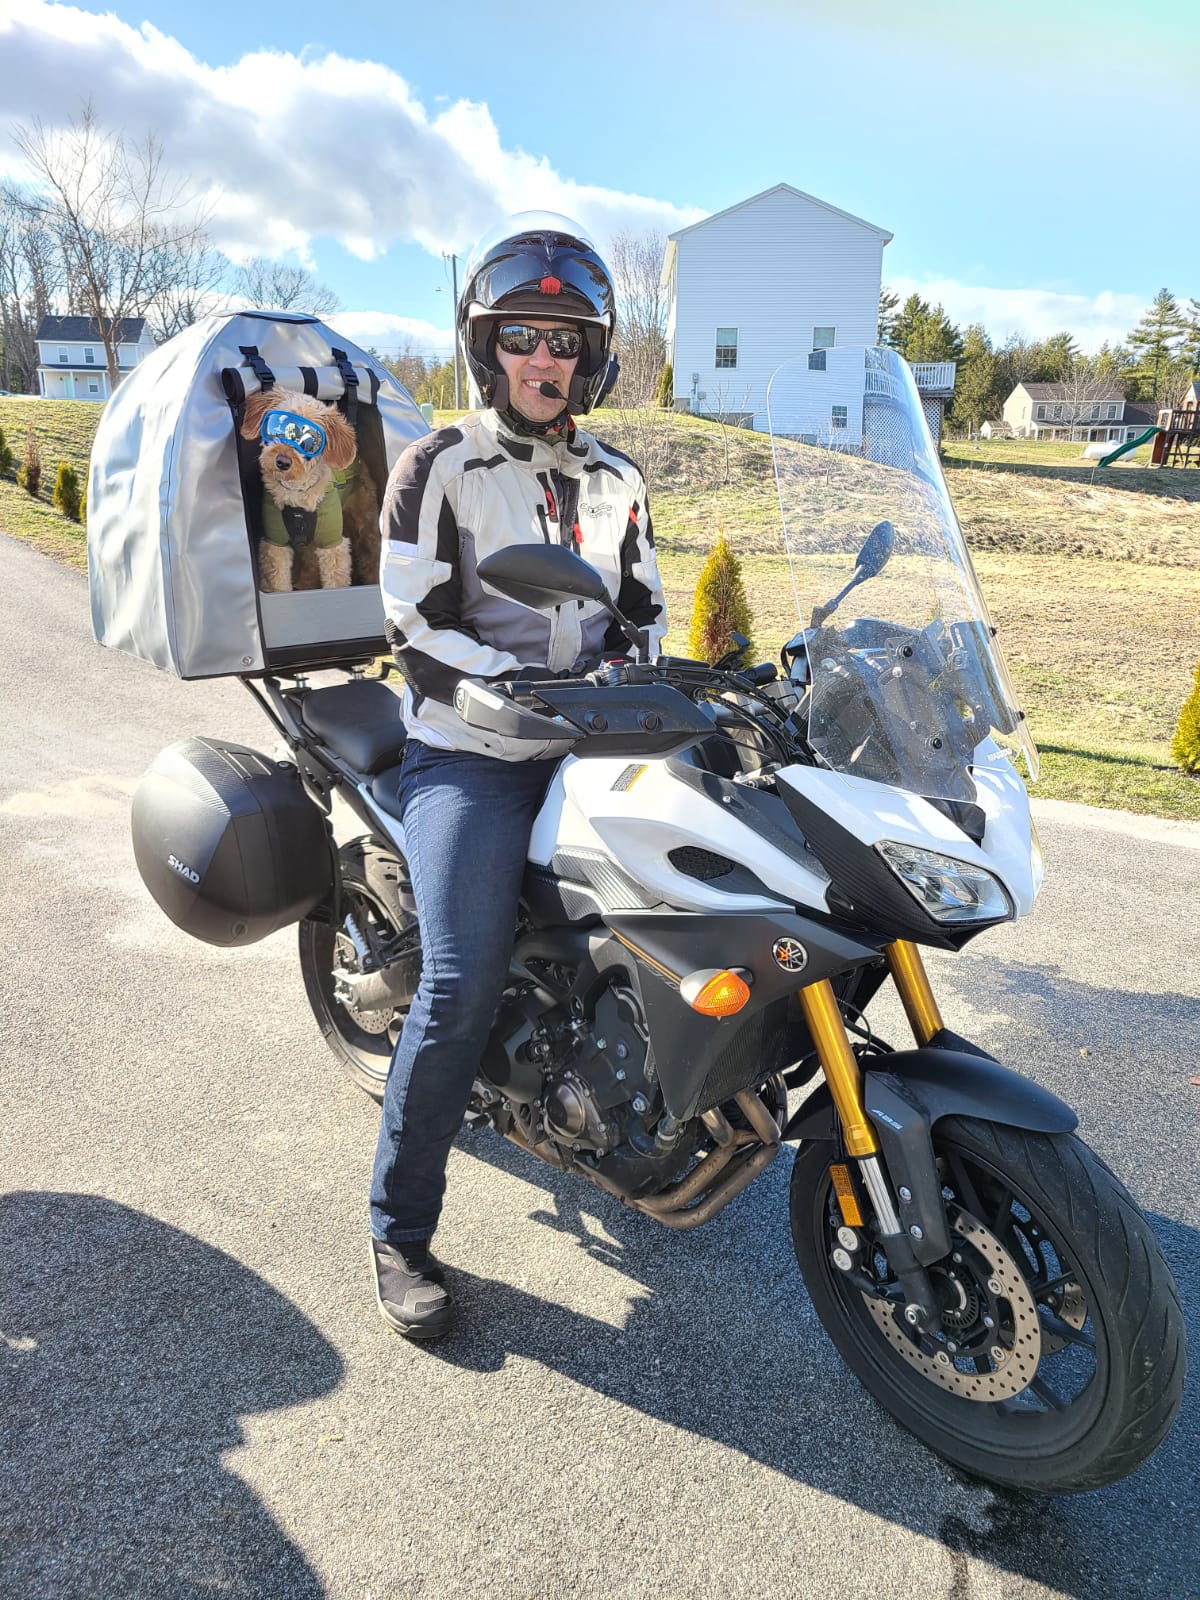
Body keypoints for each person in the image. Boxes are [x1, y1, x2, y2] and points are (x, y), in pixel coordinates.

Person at [369, 213, 667, 1338]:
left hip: (596, 743)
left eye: (564, 339)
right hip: (474, 756)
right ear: (487, 349)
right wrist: (520, 692)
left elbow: (641, 611)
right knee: (459, 981)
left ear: (592, 357)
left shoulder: (619, 478)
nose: (543, 359)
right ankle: (398, 1229)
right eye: (521, 338)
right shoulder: (437, 467)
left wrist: (649, 681)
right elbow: (415, 625)